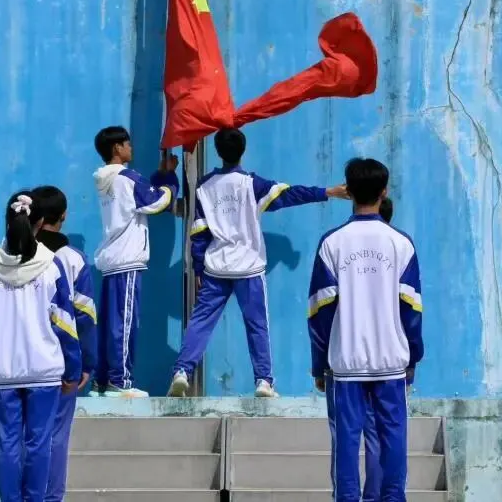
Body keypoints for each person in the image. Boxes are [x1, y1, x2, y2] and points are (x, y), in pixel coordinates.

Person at [168, 128, 349, 398]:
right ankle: (264, 381)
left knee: (200, 322)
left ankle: (182, 371)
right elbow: (291, 194)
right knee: (256, 326)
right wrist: (328, 192)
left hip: (215, 267)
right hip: (249, 268)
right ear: (243, 151)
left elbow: (199, 231)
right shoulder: (253, 184)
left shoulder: (204, 186)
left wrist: (197, 268)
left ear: (218, 152)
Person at [308, 158, 423, 502]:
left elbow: (319, 311)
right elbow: (412, 309)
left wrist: (319, 364)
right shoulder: (401, 243)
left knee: (346, 442)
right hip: (391, 362)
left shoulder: (332, 243)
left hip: (346, 363)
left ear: (348, 191)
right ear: (384, 191)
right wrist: (414, 355)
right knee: (394, 438)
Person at [0, 192, 82, 502]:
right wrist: (73, 369)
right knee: (38, 444)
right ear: (40, 222)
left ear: (8, 221)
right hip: (44, 371)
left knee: (7, 445)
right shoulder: (51, 265)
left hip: (1, 372)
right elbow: (65, 324)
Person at [92, 126, 179, 398]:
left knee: (109, 324)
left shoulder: (105, 180)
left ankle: (102, 381)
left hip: (110, 260)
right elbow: (157, 201)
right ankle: (121, 381)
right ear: (117, 148)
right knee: (125, 323)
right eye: (127, 143)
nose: (131, 147)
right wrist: (169, 180)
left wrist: (158, 176)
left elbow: (137, 197)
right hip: (127, 260)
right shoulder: (128, 178)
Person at [30, 185, 97, 502]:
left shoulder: (11, 255)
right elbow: (84, 316)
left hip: (20, 361)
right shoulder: (73, 259)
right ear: (64, 216)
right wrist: (87, 362)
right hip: (59, 360)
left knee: (23, 436)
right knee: (55, 435)